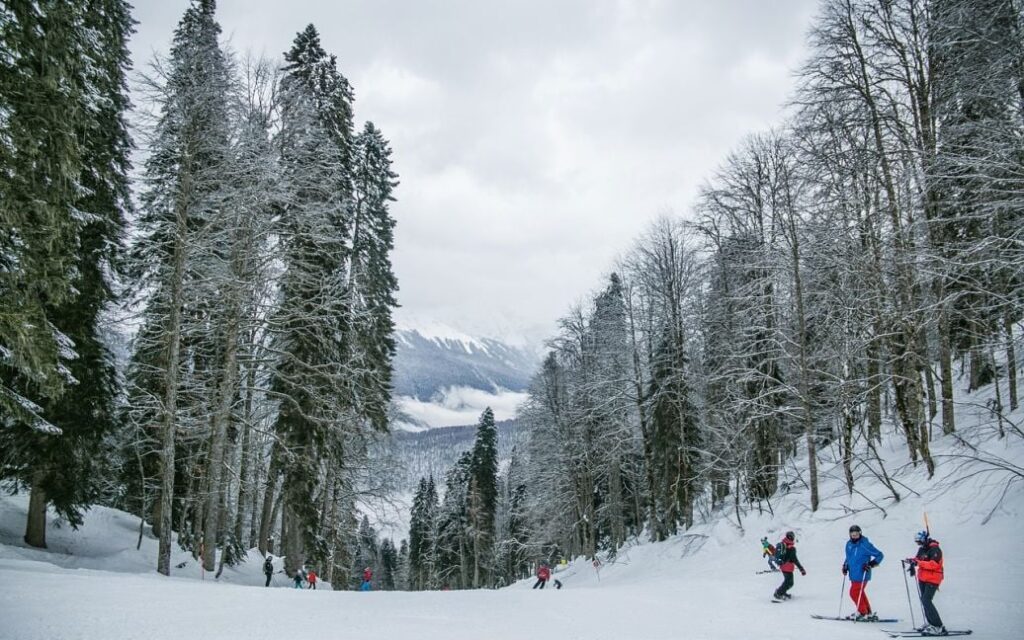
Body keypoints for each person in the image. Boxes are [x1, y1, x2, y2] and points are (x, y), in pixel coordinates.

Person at [906, 530, 946, 635]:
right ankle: (931, 623)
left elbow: (934, 564)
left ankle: (938, 626)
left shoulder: (935, 549)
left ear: (924, 539)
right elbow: (918, 559)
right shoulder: (922, 549)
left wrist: (918, 563)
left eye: (919, 541)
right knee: (924, 601)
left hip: (933, 578)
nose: (918, 544)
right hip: (923, 578)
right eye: (917, 542)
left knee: (926, 600)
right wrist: (912, 561)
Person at [842, 524, 884, 621]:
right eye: (852, 534)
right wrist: (845, 566)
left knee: (853, 592)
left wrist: (871, 564)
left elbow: (880, 555)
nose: (854, 536)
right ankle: (868, 612)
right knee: (860, 592)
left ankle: (862, 612)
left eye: (856, 534)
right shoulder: (848, 544)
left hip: (862, 573)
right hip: (853, 573)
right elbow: (848, 557)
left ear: (860, 533)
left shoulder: (864, 544)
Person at [772, 531, 806, 600]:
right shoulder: (791, 548)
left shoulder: (784, 544)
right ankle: (778, 593)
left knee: (787, 582)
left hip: (783, 567)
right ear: (792, 537)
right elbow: (795, 560)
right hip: (788, 568)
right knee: (789, 583)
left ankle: (782, 592)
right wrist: (801, 569)